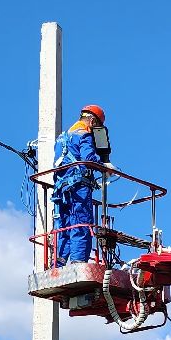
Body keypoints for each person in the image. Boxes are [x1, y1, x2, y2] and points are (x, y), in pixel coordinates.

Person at [52, 104, 107, 266]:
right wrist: (104, 167)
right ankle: (78, 263)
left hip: (61, 190)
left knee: (64, 226)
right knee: (81, 223)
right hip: (78, 188)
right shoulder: (84, 134)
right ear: (91, 121)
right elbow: (88, 158)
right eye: (96, 126)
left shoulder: (63, 137)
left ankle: (59, 264)